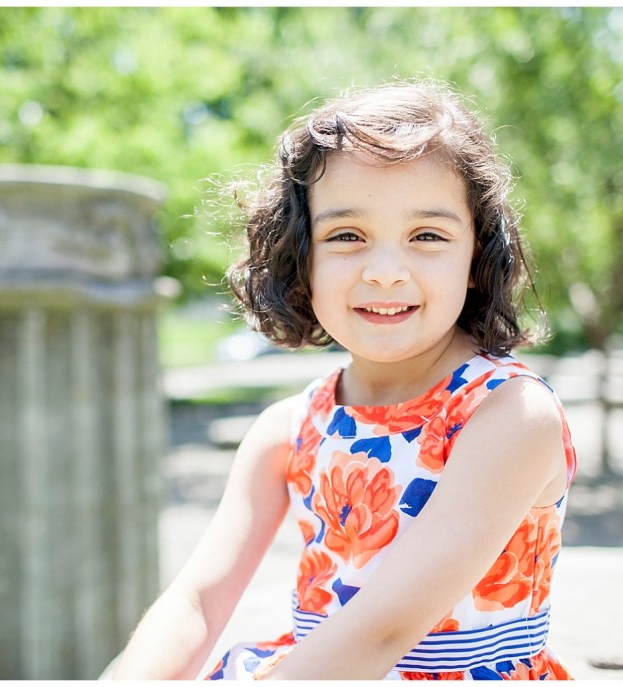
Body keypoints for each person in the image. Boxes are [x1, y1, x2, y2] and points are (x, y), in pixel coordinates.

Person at [111, 80, 577, 681]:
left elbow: (380, 634)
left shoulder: (511, 416)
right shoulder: (289, 427)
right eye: (346, 236)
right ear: (299, 256)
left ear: (477, 255)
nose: (385, 271)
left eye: (427, 236)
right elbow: (197, 601)